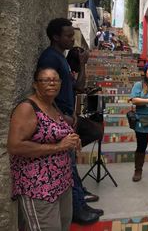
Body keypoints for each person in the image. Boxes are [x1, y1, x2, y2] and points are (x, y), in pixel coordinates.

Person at [37, 18, 103, 225]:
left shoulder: (62, 59)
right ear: (55, 37)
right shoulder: (50, 58)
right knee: (70, 165)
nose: (72, 40)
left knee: (86, 142)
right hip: (59, 118)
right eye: (68, 36)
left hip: (68, 116)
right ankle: (77, 210)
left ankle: (80, 203)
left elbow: (79, 87)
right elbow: (44, 91)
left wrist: (83, 65)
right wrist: (60, 115)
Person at [7, 67, 80, 231]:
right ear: (35, 84)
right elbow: (15, 146)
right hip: (38, 188)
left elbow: (56, 132)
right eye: (46, 80)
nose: (52, 83)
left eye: (56, 80)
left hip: (62, 183)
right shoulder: (27, 108)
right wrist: (59, 147)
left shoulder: (52, 105)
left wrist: (73, 139)